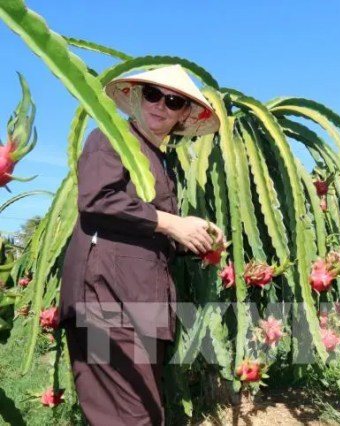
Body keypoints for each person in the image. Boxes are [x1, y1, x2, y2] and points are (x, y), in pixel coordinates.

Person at [59, 64, 222, 425]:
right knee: (131, 415)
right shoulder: (113, 137)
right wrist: (170, 222)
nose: (161, 104)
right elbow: (97, 199)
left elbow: (149, 232)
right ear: (136, 97)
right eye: (152, 94)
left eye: (174, 101)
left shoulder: (160, 163)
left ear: (183, 116)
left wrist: (196, 238)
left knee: (134, 413)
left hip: (138, 303)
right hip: (104, 302)